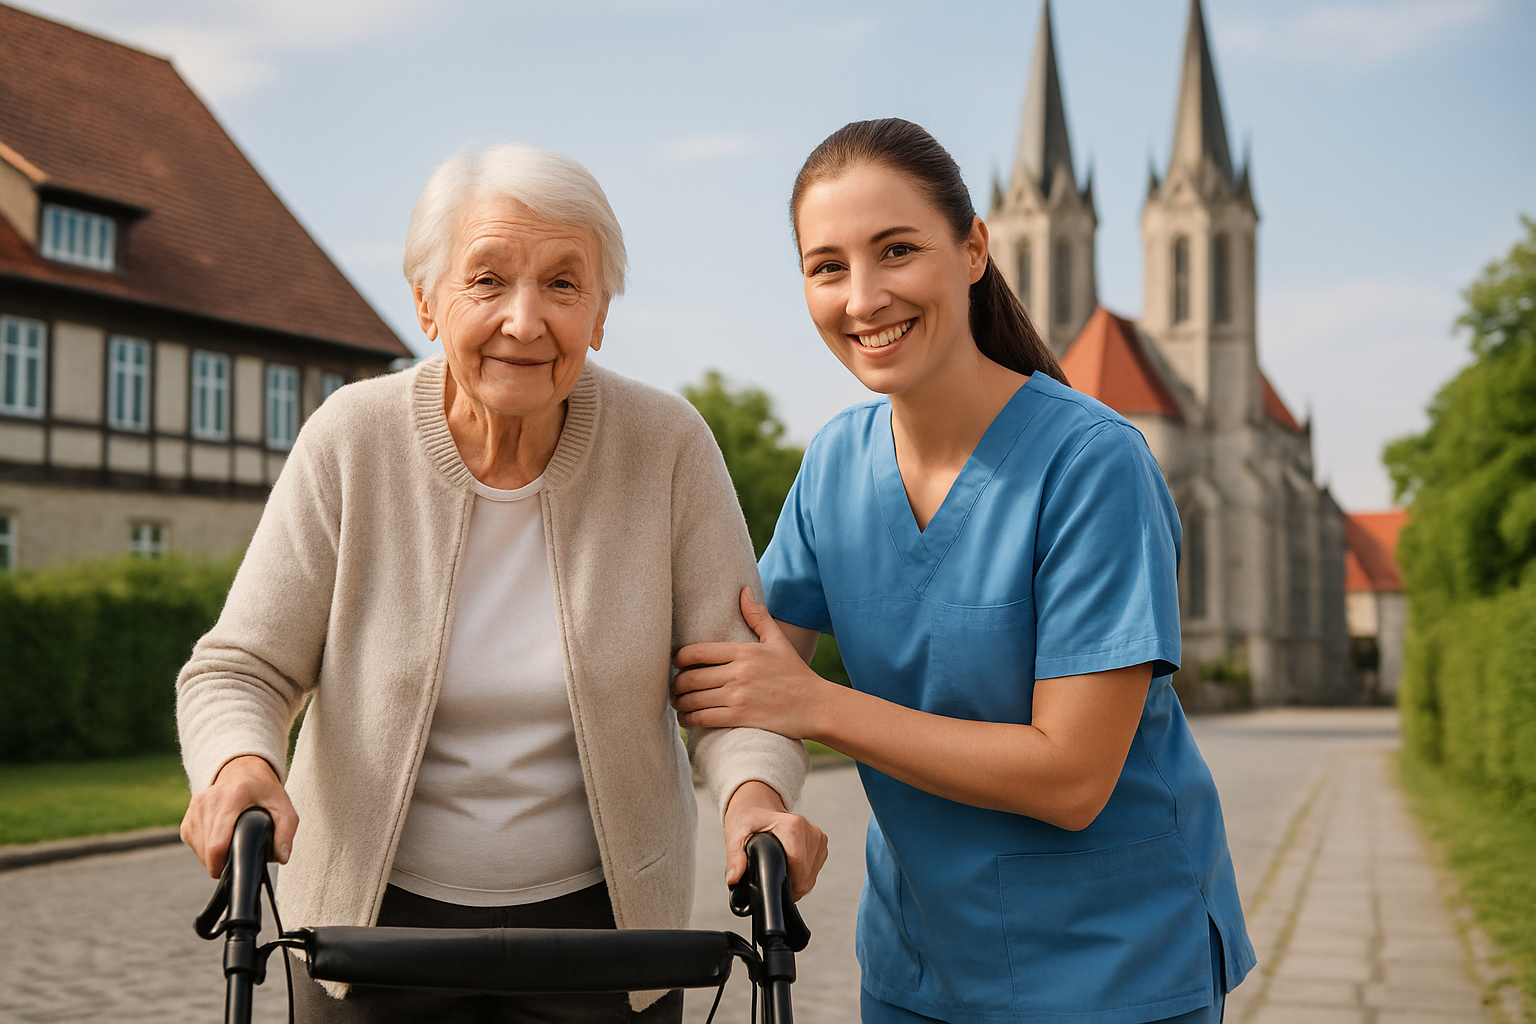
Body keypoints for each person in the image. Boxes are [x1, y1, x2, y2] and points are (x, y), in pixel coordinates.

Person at [177, 143, 827, 1024]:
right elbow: (239, 668)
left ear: (600, 313)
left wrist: (756, 803)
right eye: (487, 280)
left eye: (564, 284)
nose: (526, 320)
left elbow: (738, 693)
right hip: (372, 931)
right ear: (428, 302)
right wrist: (240, 763)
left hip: (605, 937)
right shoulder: (351, 441)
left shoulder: (668, 447)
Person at [670, 119, 1254, 1024]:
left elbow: (1071, 779)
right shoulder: (835, 464)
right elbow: (742, 680)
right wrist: (757, 806)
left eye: (895, 250)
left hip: (1113, 969)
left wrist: (821, 707)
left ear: (974, 250)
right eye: (827, 267)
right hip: (917, 970)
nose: (863, 297)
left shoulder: (1093, 464)